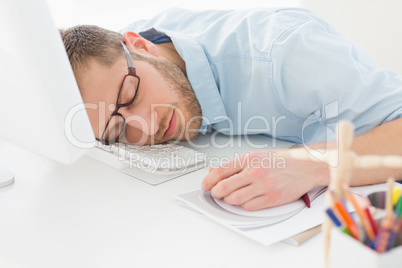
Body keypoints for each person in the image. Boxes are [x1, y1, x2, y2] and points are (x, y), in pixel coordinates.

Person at [60, 7, 402, 211]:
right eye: (118, 130)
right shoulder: (118, 67)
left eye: (132, 96)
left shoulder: (291, 55)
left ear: (140, 45)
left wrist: (312, 163)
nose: (146, 128)